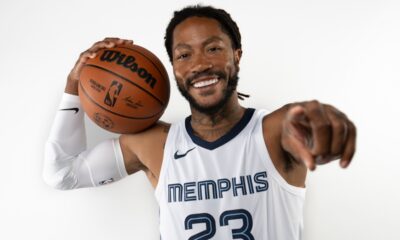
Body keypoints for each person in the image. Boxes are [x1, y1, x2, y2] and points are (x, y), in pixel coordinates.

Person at [43, 5, 356, 240]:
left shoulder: (273, 131)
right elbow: (61, 174)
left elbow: (302, 120)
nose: (200, 64)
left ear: (237, 55)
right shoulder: (155, 144)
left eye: (214, 49)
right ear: (173, 69)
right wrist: (74, 85)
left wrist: (326, 124)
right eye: (184, 55)